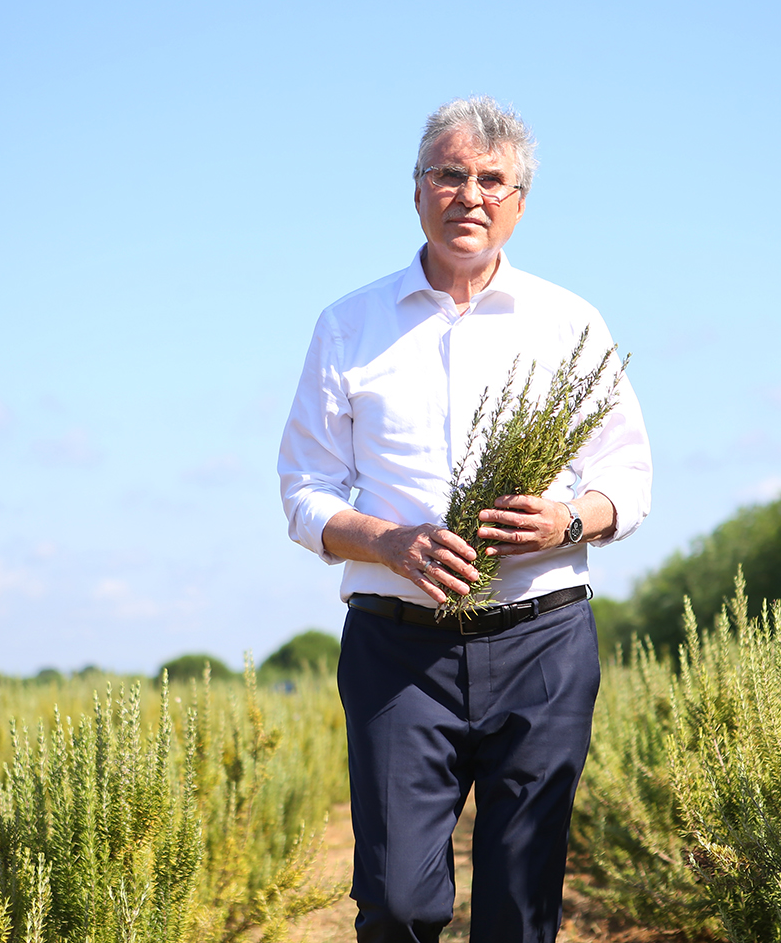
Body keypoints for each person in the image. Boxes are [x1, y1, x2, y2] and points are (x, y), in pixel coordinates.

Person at [278, 96, 652, 943]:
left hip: (542, 646)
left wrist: (567, 520)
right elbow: (304, 490)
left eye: (492, 180)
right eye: (449, 175)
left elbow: (628, 478)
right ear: (416, 192)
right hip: (398, 649)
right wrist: (389, 541)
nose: (469, 195)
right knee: (399, 908)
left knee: (521, 913)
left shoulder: (569, 321)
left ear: (519, 203)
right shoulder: (349, 325)